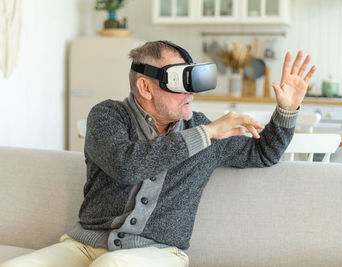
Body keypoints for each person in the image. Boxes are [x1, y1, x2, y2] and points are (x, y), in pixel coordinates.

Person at [1, 40, 316, 267]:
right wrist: (205, 134)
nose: (190, 93)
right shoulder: (108, 116)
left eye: (191, 80)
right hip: (84, 247)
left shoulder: (207, 129)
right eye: (180, 82)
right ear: (146, 88)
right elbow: (127, 164)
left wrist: (287, 110)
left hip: (159, 253)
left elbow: (265, 153)